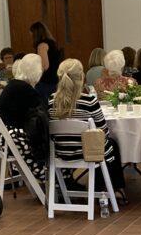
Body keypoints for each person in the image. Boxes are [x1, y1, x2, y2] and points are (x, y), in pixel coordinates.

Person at [48, 59, 127, 200]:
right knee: (112, 144)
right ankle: (115, 188)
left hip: (62, 153)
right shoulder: (89, 101)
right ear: (82, 78)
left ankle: (83, 184)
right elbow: (103, 131)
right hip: (87, 154)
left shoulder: (51, 101)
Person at [0, 54, 48, 183]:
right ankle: (55, 176)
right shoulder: (25, 90)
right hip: (17, 139)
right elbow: (42, 115)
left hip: (4, 137)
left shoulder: (13, 86)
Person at [29, 21, 64, 101]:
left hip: (46, 82)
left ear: (35, 34)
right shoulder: (52, 43)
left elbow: (44, 66)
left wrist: (33, 75)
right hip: (55, 80)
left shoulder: (42, 45)